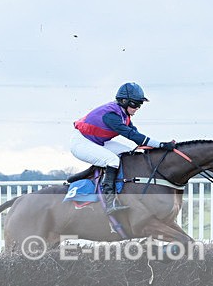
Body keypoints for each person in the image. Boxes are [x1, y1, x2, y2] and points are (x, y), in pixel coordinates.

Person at [71, 82, 176, 214]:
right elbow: (132, 135)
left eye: (140, 104)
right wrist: (161, 144)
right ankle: (109, 203)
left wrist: (154, 147)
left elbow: (136, 134)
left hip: (97, 141)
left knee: (128, 152)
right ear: (124, 101)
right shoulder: (111, 116)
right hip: (81, 143)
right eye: (135, 104)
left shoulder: (124, 114)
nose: (137, 107)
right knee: (112, 161)